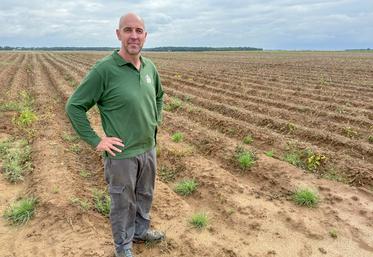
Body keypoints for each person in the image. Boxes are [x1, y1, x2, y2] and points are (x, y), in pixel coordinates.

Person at [65, 12, 164, 257]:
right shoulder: (104, 70)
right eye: (128, 30)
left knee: (145, 195)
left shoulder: (150, 67)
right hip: (121, 155)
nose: (134, 36)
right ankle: (123, 247)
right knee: (123, 203)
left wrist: (154, 122)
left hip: (148, 149)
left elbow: (159, 97)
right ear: (118, 34)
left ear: (145, 36)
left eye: (138, 31)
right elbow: (74, 106)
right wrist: (97, 140)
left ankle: (140, 232)